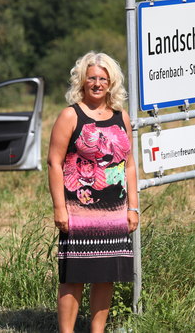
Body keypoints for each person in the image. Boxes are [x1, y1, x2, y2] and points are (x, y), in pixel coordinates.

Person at [47, 51, 139, 332]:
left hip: (114, 212)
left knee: (106, 276)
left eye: (103, 78)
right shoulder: (70, 115)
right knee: (73, 277)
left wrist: (133, 207)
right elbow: (54, 162)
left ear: (111, 83)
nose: (97, 83)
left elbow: (129, 164)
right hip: (78, 211)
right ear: (82, 82)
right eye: (92, 78)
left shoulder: (121, 117)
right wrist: (59, 208)